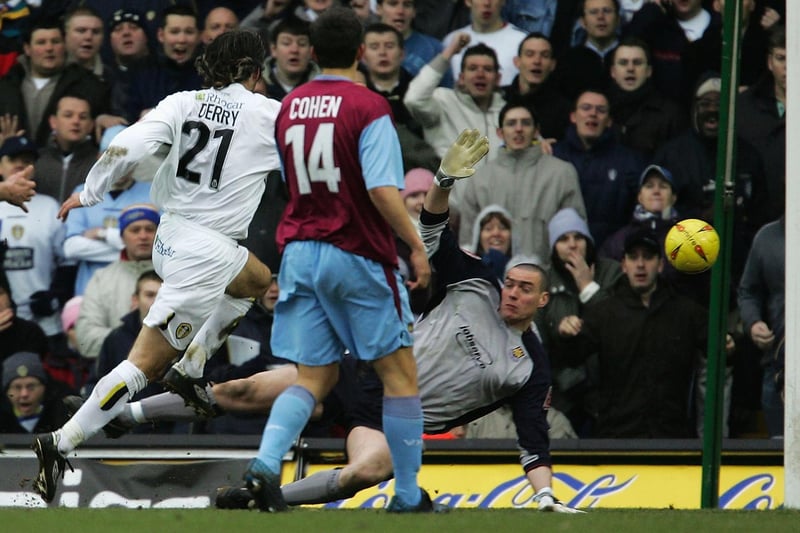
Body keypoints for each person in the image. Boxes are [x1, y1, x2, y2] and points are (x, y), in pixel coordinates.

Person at [95, 137, 581, 512]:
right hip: (364, 366)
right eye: (510, 282)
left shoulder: (528, 369)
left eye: (523, 289)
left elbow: (533, 440)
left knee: (370, 469)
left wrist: (544, 497)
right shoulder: (478, 285)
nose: (511, 293)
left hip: (391, 421)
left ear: (543, 299)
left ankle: (266, 499)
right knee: (240, 390)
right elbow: (431, 231)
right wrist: (445, 180)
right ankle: (124, 415)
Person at [31, 29, 281, 505]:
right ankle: (61, 442)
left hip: (170, 235)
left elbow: (125, 146)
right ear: (254, 70)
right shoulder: (268, 114)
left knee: (255, 278)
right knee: (143, 367)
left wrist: (89, 191)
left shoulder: (181, 101)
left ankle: (192, 366)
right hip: (205, 252)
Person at [242, 6, 433, 514]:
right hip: (357, 251)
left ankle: (263, 466)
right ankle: (409, 497)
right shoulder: (369, 107)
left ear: (309, 50)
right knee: (401, 377)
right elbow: (381, 189)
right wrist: (415, 245)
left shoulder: (289, 106)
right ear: (360, 51)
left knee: (313, 378)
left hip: (300, 252)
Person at [559, 229, 712, 437]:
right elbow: (570, 357)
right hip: (617, 437)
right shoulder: (605, 312)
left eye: (648, 257)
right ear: (624, 265)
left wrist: (729, 344)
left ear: (660, 265)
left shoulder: (686, 312)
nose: (640, 264)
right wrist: (567, 334)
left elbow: (721, 350)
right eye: (633, 257)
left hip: (672, 438)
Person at [458, 101, 584, 263]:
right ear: (500, 133)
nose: (518, 129)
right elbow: (468, 241)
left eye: (525, 123)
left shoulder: (562, 173)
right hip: (493, 279)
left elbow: (576, 234)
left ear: (536, 131)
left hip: (547, 275)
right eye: (511, 124)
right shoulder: (480, 178)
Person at [539, 207, 621, 435]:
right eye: (564, 239)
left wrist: (588, 287)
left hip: (610, 393)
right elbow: (537, 344)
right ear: (554, 247)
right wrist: (561, 333)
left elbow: (619, 326)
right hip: (563, 397)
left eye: (578, 237)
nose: (573, 245)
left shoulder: (612, 273)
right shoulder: (543, 282)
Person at [552, 89, 644, 248]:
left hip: (611, 253)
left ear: (609, 121)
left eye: (601, 110)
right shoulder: (553, 155)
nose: (593, 113)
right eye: (586, 108)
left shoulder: (629, 161)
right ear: (573, 116)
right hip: (562, 250)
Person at [0, 17, 110, 148]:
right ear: (27, 49)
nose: (49, 48)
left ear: (64, 45)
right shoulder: (7, 85)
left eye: (55, 42)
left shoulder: (89, 85)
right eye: (41, 42)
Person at [0, 135, 68, 345]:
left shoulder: (49, 206)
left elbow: (66, 261)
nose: (20, 165)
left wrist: (54, 295)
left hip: (44, 320)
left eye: (27, 161)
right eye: (13, 159)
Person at [74, 203, 158, 359]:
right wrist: (136, 341)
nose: (143, 236)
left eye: (150, 229)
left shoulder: (175, 277)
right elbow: (86, 339)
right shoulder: (102, 278)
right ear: (122, 236)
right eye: (135, 230)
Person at [404, 40, 506, 162]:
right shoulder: (443, 101)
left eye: (487, 69)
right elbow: (414, 99)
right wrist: (449, 53)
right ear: (461, 78)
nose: (480, 74)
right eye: (473, 68)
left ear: (498, 79)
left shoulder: (508, 112)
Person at [738, 216, 784, 438]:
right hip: (778, 364)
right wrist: (753, 322)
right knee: (779, 449)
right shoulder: (766, 237)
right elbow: (748, 292)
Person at [607, 36, 686, 159]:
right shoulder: (601, 110)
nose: (630, 68)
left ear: (649, 71)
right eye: (623, 63)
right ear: (613, 71)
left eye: (637, 63)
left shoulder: (669, 114)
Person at [501, 32, 571, 140]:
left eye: (545, 56)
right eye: (530, 54)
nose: (537, 61)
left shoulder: (563, 109)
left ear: (553, 65)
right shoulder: (499, 97)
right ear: (517, 62)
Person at [33, 94, 99, 203]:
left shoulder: (98, 163)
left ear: (91, 125)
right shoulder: (36, 159)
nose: (76, 121)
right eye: (68, 115)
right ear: (53, 122)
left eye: (83, 117)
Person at [442, 0, 527, 80]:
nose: (487, 3)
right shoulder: (451, 41)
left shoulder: (522, 41)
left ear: (503, 1)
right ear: (468, 1)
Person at [375, 0, 453, 87]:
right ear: (378, 8)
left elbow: (446, 93)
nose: (400, 11)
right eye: (393, 4)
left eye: (407, 5)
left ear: (414, 11)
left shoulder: (434, 49)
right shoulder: (363, 45)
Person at [553, 0, 619, 101]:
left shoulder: (631, 57)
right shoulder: (567, 61)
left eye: (607, 11)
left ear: (618, 19)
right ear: (582, 22)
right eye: (593, 12)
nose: (600, 17)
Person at [1, 351, 71, 434]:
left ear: (43, 388)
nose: (24, 394)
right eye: (17, 387)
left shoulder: (63, 418)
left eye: (31, 387)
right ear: (7, 391)